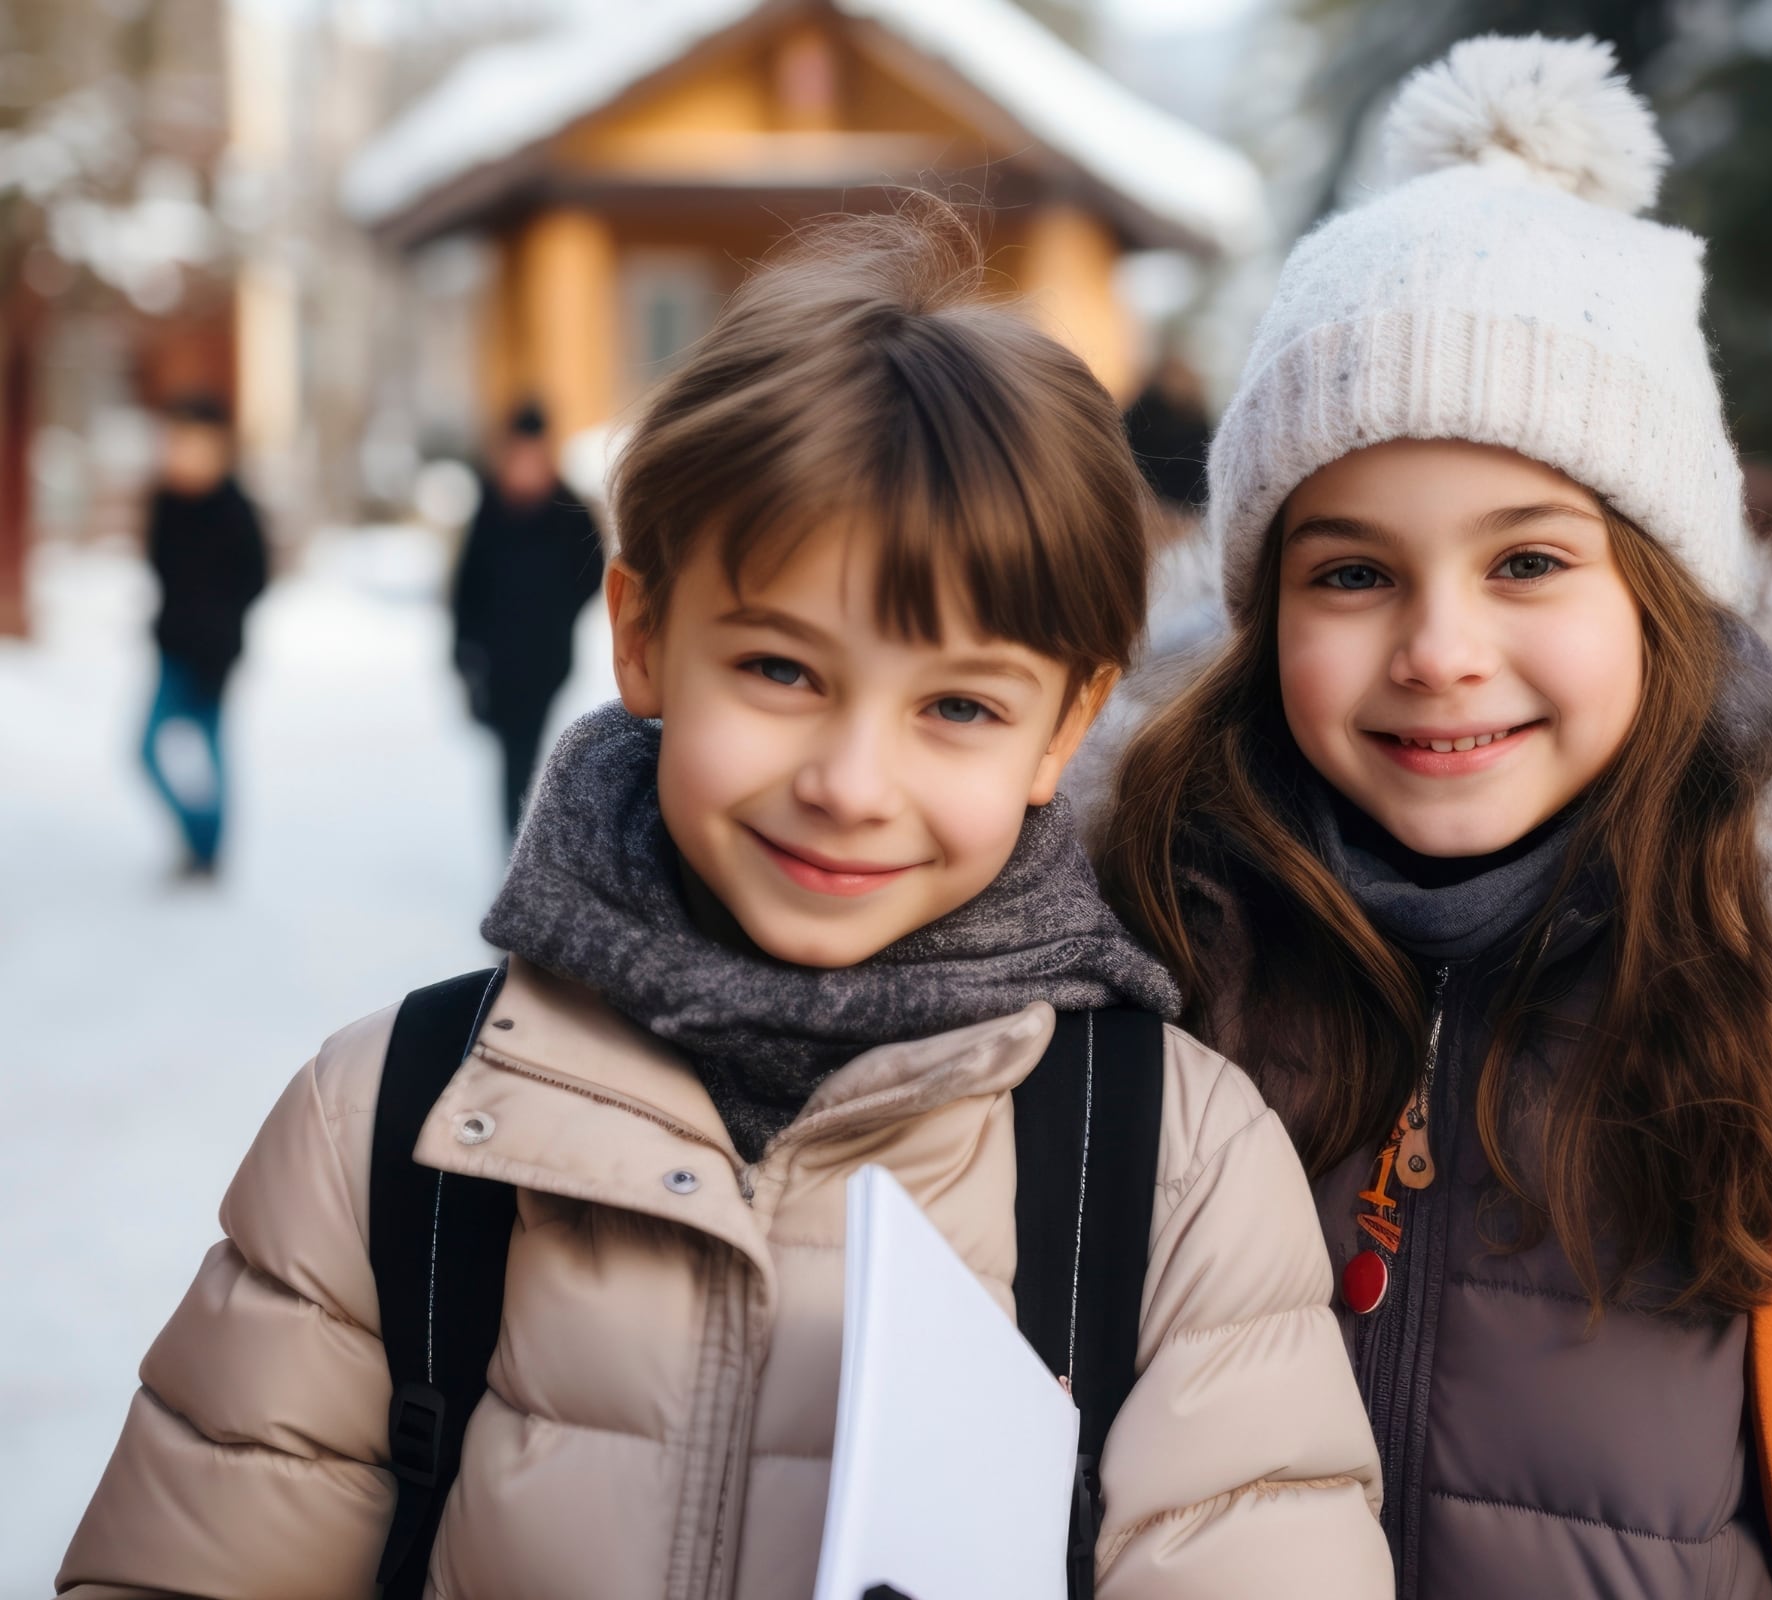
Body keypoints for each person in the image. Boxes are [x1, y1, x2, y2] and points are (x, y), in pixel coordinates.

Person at [58, 206, 1391, 1599]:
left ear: (1064, 729)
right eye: (781, 672)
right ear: (643, 635)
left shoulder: (1170, 1163)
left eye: (958, 706)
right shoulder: (399, 1127)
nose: (851, 783)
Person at [1100, 36, 1772, 1599]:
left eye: (1529, 563)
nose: (1437, 649)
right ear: (1259, 616)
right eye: (1350, 572)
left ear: (1660, 603)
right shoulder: (1138, 956)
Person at [451, 397, 604, 837]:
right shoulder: (490, 509)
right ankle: (517, 841)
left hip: (545, 657)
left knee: (526, 752)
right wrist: (462, 649)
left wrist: (558, 612)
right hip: (497, 660)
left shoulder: (567, 510)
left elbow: (592, 573)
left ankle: (523, 842)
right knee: (512, 756)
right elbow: (467, 587)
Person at [139, 392, 267, 877]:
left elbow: (255, 579)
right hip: (172, 647)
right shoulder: (166, 503)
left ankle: (210, 851)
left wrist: (218, 626)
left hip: (215, 653)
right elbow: (159, 570)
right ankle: (197, 833)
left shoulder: (234, 508)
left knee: (211, 751)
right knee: (147, 748)